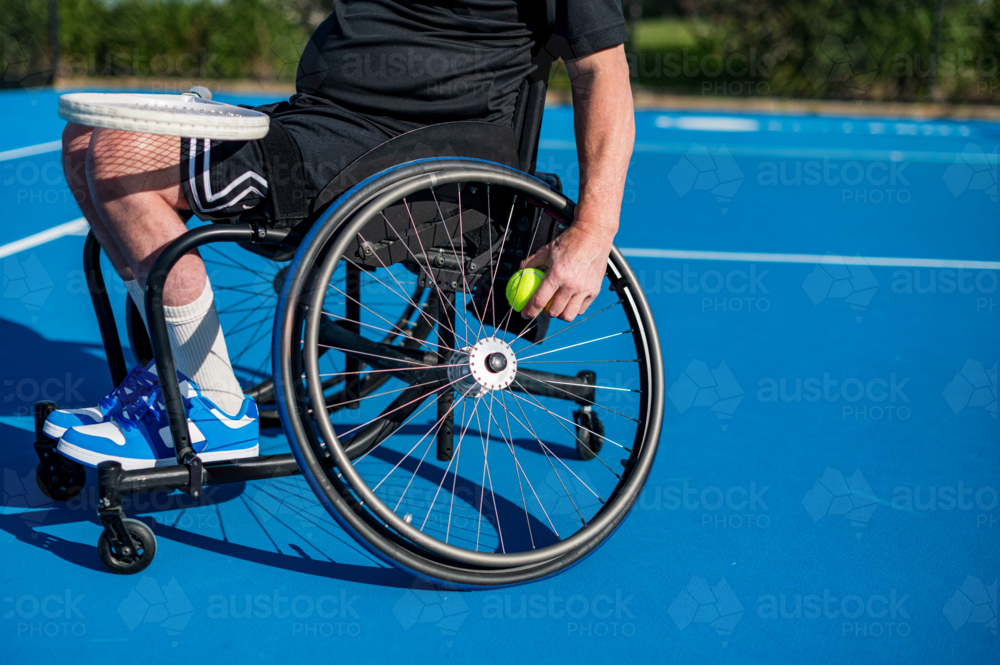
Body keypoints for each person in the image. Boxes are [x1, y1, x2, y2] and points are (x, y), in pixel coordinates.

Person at [47, 0, 636, 469]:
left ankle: (214, 406)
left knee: (121, 158)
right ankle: (175, 377)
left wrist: (592, 229)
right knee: (83, 140)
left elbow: (602, 70)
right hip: (315, 124)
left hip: (391, 157)